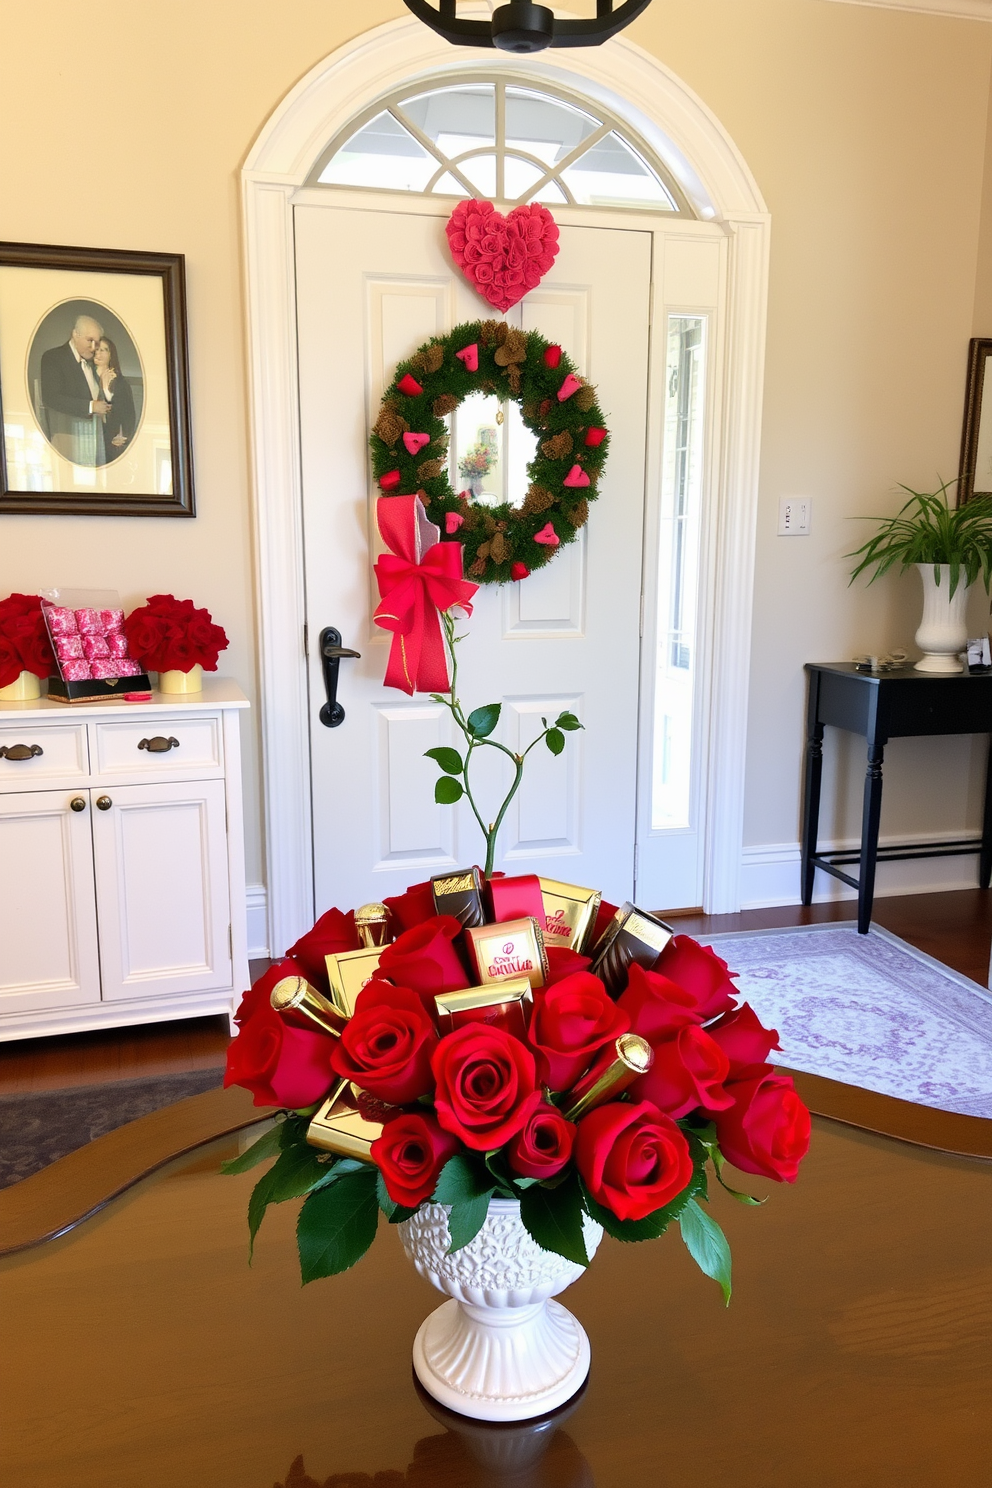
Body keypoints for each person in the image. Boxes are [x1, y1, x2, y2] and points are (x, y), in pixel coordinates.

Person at [39, 314, 111, 466]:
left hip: (94, 441)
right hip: (65, 439)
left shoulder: (93, 364)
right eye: (89, 340)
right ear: (75, 334)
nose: (93, 347)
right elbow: (51, 398)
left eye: (96, 343)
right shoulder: (53, 357)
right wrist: (91, 406)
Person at [93, 335, 136, 460]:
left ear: (111, 354)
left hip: (109, 442)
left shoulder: (121, 383)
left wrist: (106, 391)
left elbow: (127, 414)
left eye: (104, 350)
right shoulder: (87, 377)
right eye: (96, 349)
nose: (98, 353)